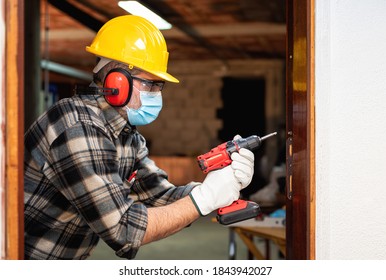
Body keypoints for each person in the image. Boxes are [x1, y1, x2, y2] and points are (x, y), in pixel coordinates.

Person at [24, 15, 255, 260]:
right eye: (150, 84)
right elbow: (123, 231)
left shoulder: (127, 136)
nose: (157, 94)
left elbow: (160, 196)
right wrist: (205, 198)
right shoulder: (75, 125)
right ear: (116, 81)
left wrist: (218, 185)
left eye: (159, 86)